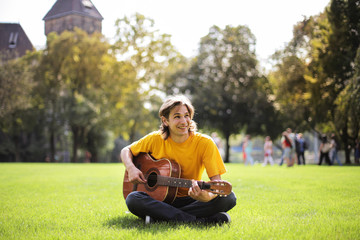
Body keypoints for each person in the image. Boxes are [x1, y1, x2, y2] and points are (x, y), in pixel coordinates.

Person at [120, 95, 237, 225]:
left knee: (229, 197)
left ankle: (161, 216)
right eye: (177, 116)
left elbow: (216, 182)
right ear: (165, 121)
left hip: (191, 199)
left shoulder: (205, 143)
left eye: (186, 115)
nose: (184, 121)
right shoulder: (154, 139)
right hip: (160, 200)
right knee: (133, 198)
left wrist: (206, 196)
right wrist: (131, 168)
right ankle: (199, 221)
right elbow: (126, 150)